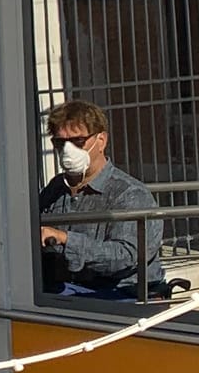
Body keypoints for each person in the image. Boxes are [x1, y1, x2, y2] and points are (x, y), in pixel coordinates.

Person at [40, 98, 163, 295]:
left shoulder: (130, 194)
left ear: (101, 141)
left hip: (120, 295)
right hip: (65, 291)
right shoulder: (55, 188)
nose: (68, 150)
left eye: (78, 141)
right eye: (60, 142)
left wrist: (65, 240)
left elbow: (126, 256)